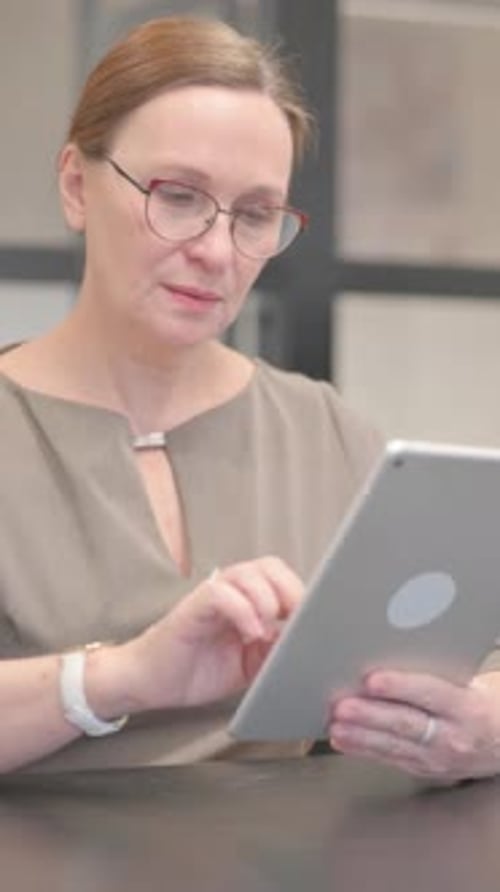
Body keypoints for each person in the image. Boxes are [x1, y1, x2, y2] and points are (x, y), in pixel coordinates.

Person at [0, 15, 498, 782]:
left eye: (256, 215)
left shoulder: (326, 433)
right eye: (177, 196)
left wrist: (483, 726)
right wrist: (120, 677)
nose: (215, 250)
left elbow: (482, 662)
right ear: (76, 186)